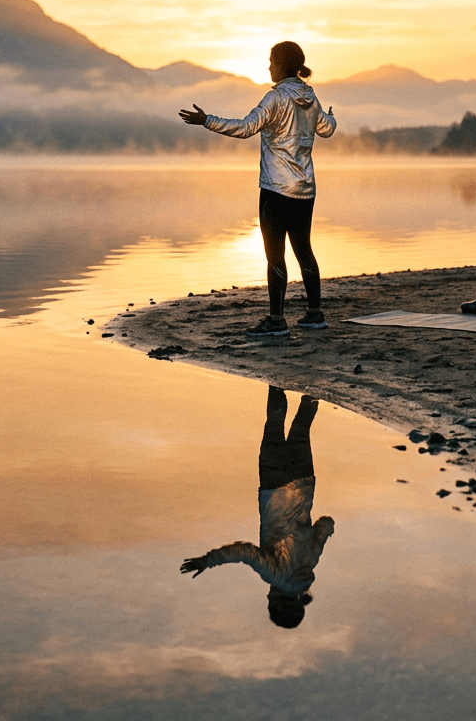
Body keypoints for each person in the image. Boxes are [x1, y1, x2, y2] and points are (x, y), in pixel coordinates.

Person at [179, 40, 336, 335]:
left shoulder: (275, 99)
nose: (268, 67)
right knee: (304, 249)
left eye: (272, 62)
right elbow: (327, 129)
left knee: (275, 254)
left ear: (283, 65)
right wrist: (331, 114)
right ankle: (315, 314)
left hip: (276, 190)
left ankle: (276, 321)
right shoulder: (310, 97)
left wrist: (206, 121)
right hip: (305, 189)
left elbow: (245, 128)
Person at [180, 389, 334, 629]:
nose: (267, 596)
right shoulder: (275, 575)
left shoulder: (310, 564)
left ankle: (312, 387)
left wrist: (314, 528)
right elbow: (245, 552)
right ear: (277, 602)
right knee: (274, 426)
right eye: (269, 602)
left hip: (304, 483)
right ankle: (275, 378)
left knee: (302, 428)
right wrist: (206, 561)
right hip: (274, 488)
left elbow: (326, 524)